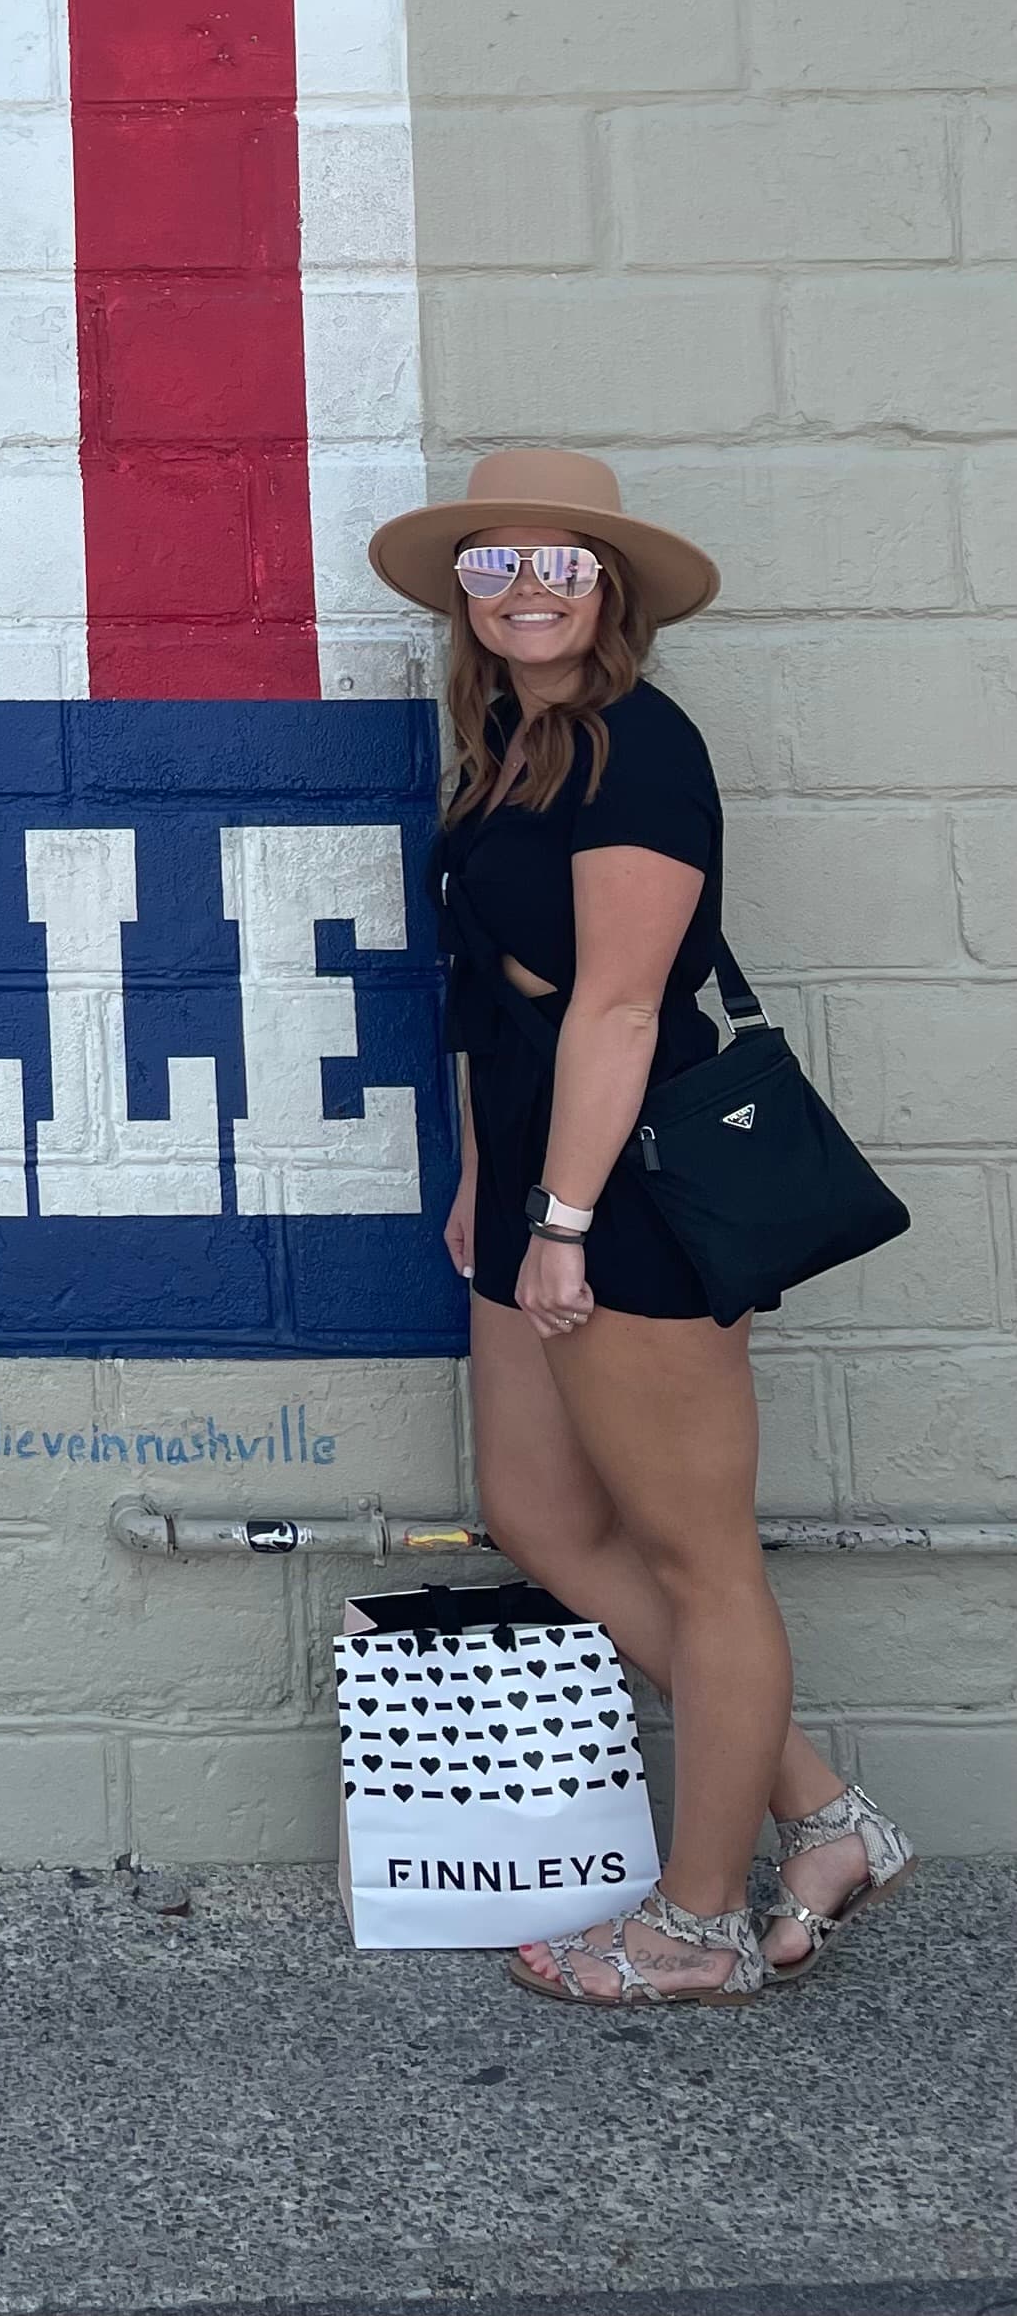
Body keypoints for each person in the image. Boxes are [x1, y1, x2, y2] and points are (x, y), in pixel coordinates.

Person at [367, 448, 913, 2008]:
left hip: (627, 1192)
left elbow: (614, 1006)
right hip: (535, 1180)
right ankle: (824, 1817)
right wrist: (487, 1181)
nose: (526, 587)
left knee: (697, 1553)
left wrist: (561, 1220)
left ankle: (696, 1923)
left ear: (605, 592)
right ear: (465, 596)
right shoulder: (507, 748)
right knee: (540, 1512)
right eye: (494, 562)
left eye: (560, 562)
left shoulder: (631, 750)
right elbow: (492, 1002)